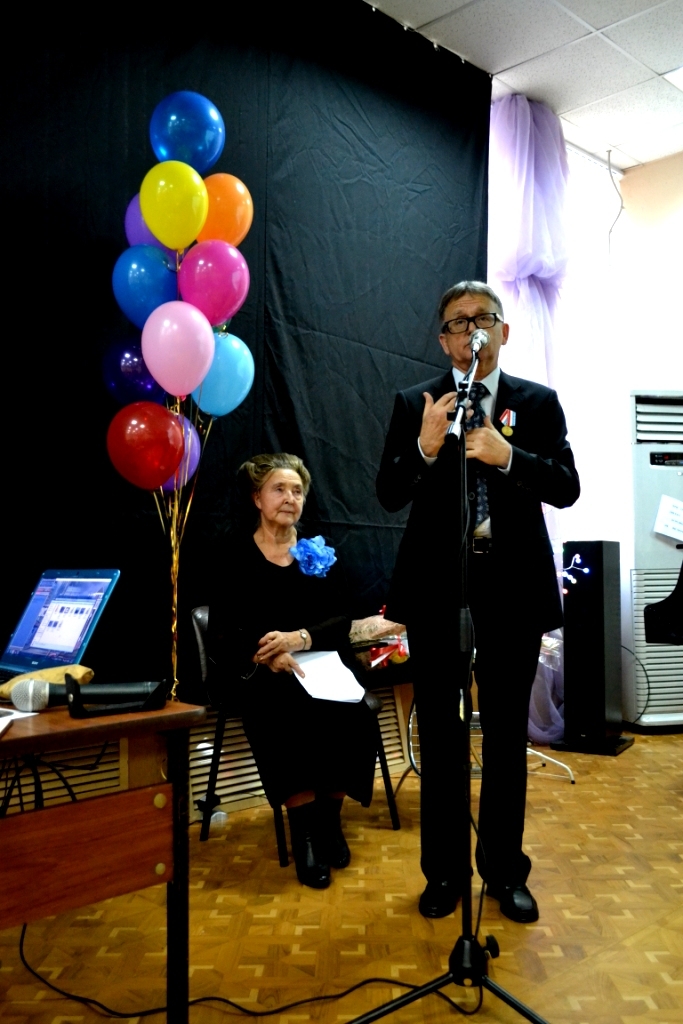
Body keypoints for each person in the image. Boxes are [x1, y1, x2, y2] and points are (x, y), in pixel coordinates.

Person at [376, 281, 580, 923]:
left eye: (483, 318)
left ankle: (504, 871)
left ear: (504, 331)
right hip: (439, 591)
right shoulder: (418, 403)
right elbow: (388, 492)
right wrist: (424, 448)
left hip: (513, 592)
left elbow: (567, 486)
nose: (472, 330)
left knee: (506, 738)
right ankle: (443, 874)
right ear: (444, 340)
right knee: (440, 738)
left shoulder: (537, 403)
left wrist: (509, 455)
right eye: (458, 322)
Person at [207, 452, 377, 890]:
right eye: (279, 489)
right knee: (284, 713)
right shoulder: (234, 554)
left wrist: (300, 638)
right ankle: (305, 834)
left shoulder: (317, 550)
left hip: (320, 662)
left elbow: (341, 619)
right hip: (264, 671)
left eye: (297, 491)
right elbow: (222, 630)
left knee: (354, 712)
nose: (289, 498)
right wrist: (266, 655)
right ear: (257, 498)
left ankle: (330, 822)